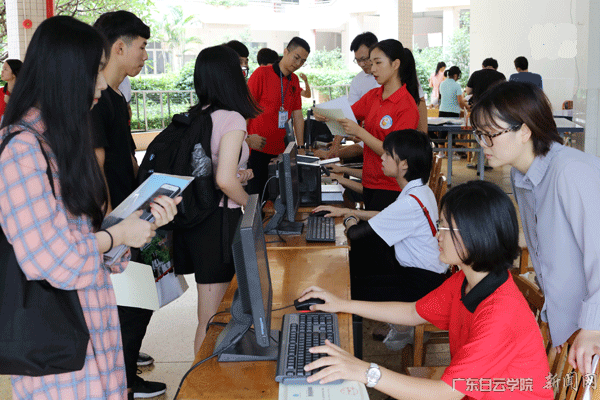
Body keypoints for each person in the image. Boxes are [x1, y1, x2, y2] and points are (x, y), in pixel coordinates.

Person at [0, 16, 179, 400]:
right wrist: (117, 234)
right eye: (95, 70)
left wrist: (136, 225)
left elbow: (97, 247)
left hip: (96, 325)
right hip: (57, 347)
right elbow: (52, 259)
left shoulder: (65, 140)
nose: (101, 83)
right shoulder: (21, 150)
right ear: (64, 73)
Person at [299, 180, 553, 400]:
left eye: (445, 228)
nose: (437, 236)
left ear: (476, 235)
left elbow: (446, 392)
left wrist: (364, 371)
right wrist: (342, 303)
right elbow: (413, 312)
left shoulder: (501, 313)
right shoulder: (467, 280)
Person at [470, 80, 600, 376]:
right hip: (573, 327)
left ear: (525, 131)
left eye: (490, 134)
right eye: (479, 134)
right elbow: (546, 248)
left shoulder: (571, 171)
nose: (483, 144)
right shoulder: (522, 176)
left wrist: (593, 327)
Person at [92, 11, 166, 398]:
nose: (145, 56)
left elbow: (125, 158)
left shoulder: (118, 97)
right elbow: (97, 168)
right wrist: (112, 230)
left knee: (139, 298)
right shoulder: (96, 100)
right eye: (142, 47)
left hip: (130, 214)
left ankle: (126, 361)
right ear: (119, 47)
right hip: (114, 225)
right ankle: (124, 381)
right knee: (133, 302)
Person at [172, 45, 260, 354]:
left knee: (210, 315)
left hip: (197, 220)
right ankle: (199, 378)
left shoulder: (197, 116)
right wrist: (250, 204)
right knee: (212, 319)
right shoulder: (232, 118)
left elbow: (210, 170)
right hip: (219, 223)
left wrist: (239, 175)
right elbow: (223, 180)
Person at [313, 130, 447, 301]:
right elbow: (386, 215)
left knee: (346, 292)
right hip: (423, 276)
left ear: (404, 164)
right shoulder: (421, 190)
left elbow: (354, 233)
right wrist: (350, 211)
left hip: (420, 286)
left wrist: (349, 219)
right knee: (352, 284)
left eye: (388, 154)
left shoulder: (410, 202)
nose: (382, 158)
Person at [317, 39, 419, 212]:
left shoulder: (407, 106)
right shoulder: (373, 96)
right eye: (371, 64)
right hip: (369, 181)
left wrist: (359, 132)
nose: (372, 70)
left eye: (378, 63)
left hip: (391, 187)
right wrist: (326, 115)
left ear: (395, 64)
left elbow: (394, 154)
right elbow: (344, 115)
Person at [246, 37, 310, 196]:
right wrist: (244, 139)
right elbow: (245, 110)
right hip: (256, 149)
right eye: (296, 57)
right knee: (256, 197)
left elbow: (297, 115)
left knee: (278, 198)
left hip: (281, 152)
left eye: (303, 61)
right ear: (286, 51)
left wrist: (300, 147)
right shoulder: (262, 73)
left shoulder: (294, 80)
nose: (298, 64)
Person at [348, 32, 380, 106]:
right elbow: (352, 107)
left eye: (364, 59)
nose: (361, 64)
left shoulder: (390, 76)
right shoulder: (357, 80)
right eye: (358, 60)